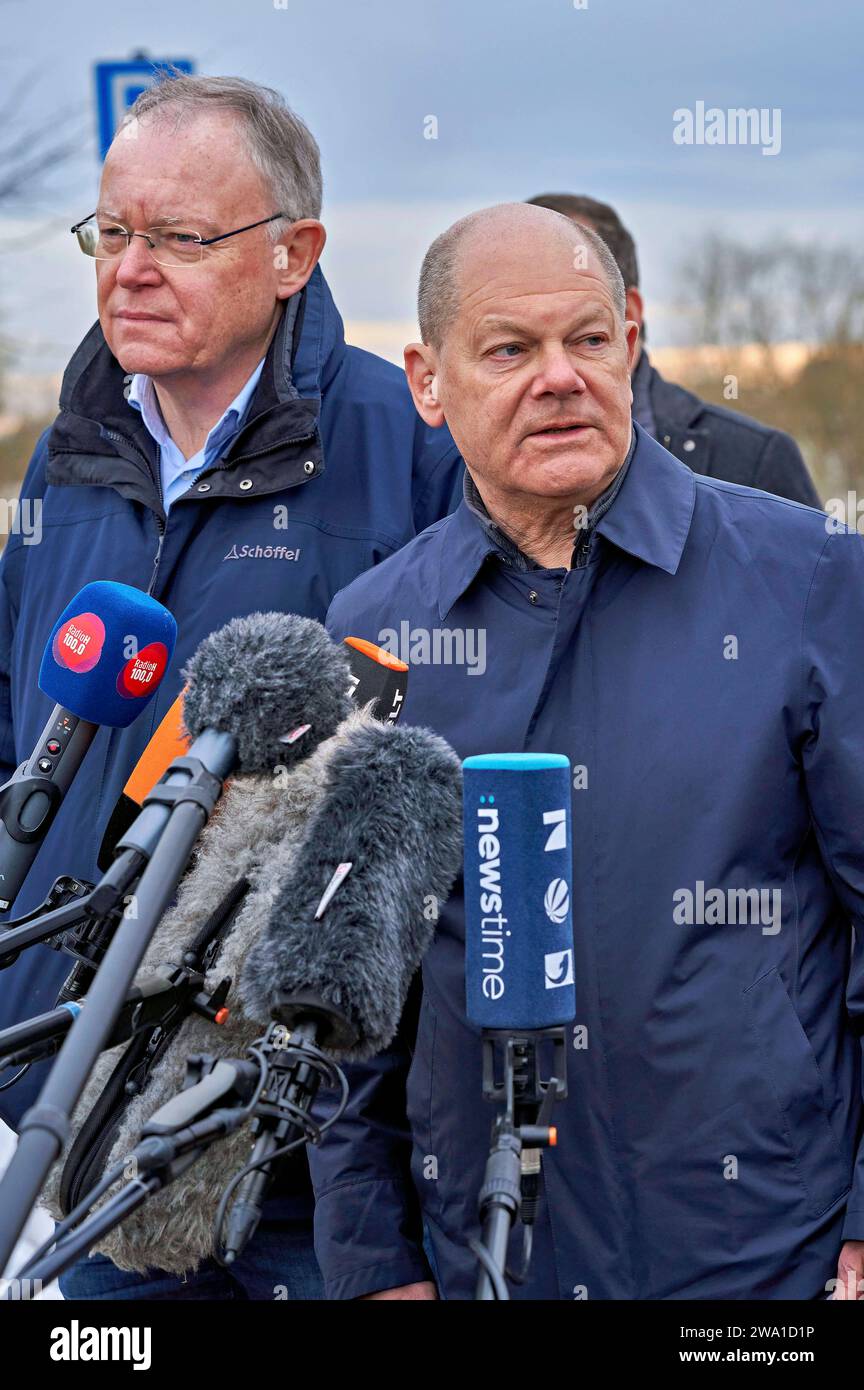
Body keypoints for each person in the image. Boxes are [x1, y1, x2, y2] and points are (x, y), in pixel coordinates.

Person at [308, 202, 864, 1300]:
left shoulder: (804, 578)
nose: (559, 377)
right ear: (428, 381)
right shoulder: (377, 630)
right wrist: (373, 1262)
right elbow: (349, 1002)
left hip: (765, 1266)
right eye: (511, 349)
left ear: (632, 344)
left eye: (589, 340)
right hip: (491, 1265)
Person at [0, 74, 463, 1300]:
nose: (131, 268)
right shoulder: (70, 454)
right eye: (113, 231)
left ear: (292, 254)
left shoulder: (410, 446)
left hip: (314, 1142)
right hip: (95, 1122)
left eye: (181, 237)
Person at [527, 192, 821, 507]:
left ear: (628, 315)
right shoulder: (471, 466)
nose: (556, 376)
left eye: (584, 334)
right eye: (513, 344)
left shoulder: (754, 462)